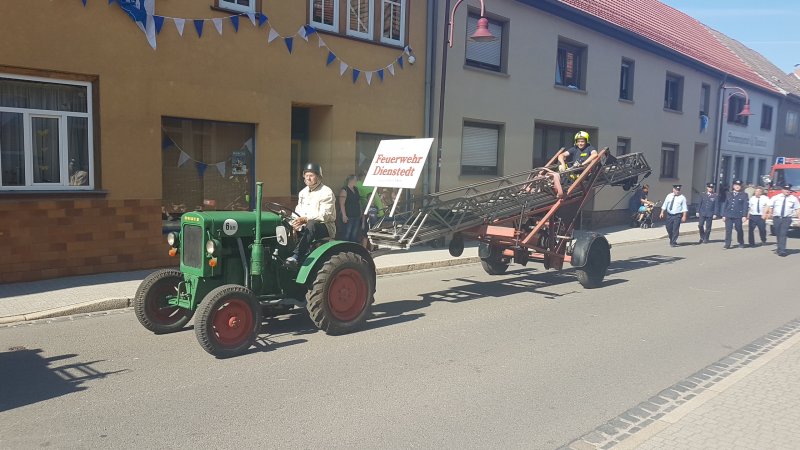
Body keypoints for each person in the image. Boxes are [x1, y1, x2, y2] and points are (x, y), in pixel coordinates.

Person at [285, 163, 336, 268]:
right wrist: (293, 224)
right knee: (284, 224)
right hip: (305, 226)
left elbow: (325, 215)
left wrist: (306, 219)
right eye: (306, 175)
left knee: (312, 224)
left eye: (311, 175)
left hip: (324, 226)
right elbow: (298, 211)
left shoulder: (326, 192)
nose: (308, 178)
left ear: (318, 176)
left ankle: (296, 256)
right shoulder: (302, 193)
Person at [765, 183, 800, 257]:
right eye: (785, 189)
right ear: (782, 190)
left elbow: (797, 209)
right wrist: (766, 214)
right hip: (777, 218)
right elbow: (769, 205)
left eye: (788, 189)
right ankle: (779, 247)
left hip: (786, 218)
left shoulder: (793, 198)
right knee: (778, 233)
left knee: (783, 233)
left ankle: (782, 250)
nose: (787, 191)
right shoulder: (776, 197)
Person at [721, 179, 748, 249]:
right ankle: (727, 244)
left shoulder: (744, 195)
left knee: (738, 229)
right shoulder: (729, 194)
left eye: (739, 185)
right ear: (733, 186)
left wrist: (744, 216)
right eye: (736, 185)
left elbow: (745, 206)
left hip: (738, 215)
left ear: (741, 187)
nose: (737, 187)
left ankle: (741, 242)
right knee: (728, 230)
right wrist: (724, 215)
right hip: (729, 214)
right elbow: (725, 205)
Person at [338, 175, 361, 242]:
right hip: (348, 215)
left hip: (356, 215)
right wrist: (344, 215)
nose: (356, 181)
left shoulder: (356, 189)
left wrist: (361, 212)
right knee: (347, 234)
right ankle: (345, 249)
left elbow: (358, 201)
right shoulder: (344, 190)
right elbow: (342, 204)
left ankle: (352, 250)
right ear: (351, 180)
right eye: (355, 180)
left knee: (354, 234)